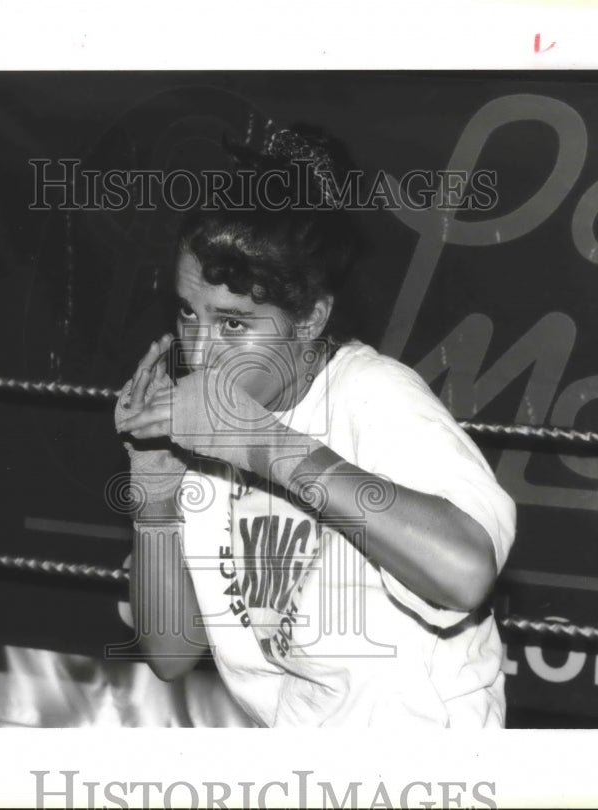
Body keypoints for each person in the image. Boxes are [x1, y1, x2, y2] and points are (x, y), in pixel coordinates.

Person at [114, 124, 516, 728]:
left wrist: (259, 443)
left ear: (309, 320)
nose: (197, 353)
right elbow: (171, 653)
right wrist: (154, 490)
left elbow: (466, 573)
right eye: (187, 313)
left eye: (232, 324)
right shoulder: (203, 429)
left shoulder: (371, 396)